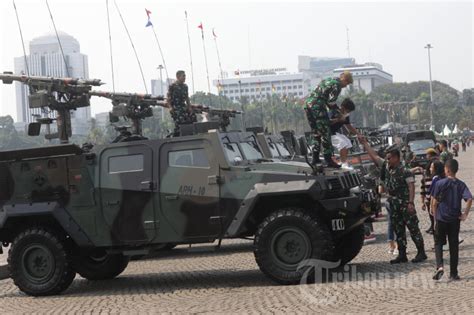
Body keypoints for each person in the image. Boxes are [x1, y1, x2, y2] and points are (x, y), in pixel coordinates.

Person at [360, 138, 427, 264]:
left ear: (396, 158)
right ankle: (402, 254)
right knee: (398, 229)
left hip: (405, 204)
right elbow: (374, 157)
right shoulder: (387, 167)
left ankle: (421, 252)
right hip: (394, 204)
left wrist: (411, 203)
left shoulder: (404, 171)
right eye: (387, 158)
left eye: (390, 158)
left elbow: (411, 186)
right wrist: (365, 144)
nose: (387, 160)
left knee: (413, 229)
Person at [431, 159, 472, 281]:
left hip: (441, 219)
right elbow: (469, 199)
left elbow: (434, 202)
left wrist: (435, 217)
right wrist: (465, 214)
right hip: (455, 220)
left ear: (447, 170)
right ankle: (454, 273)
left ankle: (440, 266)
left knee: (438, 243)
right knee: (454, 245)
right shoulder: (461, 184)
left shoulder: (439, 183)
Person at [304, 71, 353, 168]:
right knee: (325, 132)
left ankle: (315, 158)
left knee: (316, 132)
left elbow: (326, 100)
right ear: (344, 79)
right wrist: (340, 115)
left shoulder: (328, 80)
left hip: (308, 105)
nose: (345, 86)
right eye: (346, 83)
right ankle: (328, 160)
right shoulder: (337, 85)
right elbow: (331, 103)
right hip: (317, 107)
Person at [328, 98, 363, 168]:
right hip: (327, 134)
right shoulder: (334, 111)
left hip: (334, 133)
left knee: (347, 142)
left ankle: (343, 161)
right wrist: (338, 119)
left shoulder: (346, 115)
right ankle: (343, 163)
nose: (348, 113)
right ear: (343, 107)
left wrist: (358, 134)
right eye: (348, 111)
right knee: (342, 144)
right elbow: (328, 122)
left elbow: (349, 126)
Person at [167, 70, 196, 136]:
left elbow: (187, 98)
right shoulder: (173, 86)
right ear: (178, 77)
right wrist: (170, 108)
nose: (184, 77)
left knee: (192, 117)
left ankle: (191, 133)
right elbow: (168, 98)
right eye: (183, 76)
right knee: (180, 121)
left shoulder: (185, 86)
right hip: (176, 107)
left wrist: (189, 107)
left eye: (185, 76)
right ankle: (177, 134)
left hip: (183, 106)